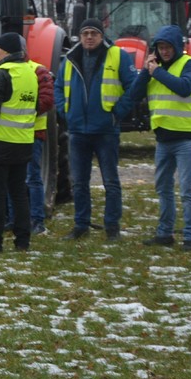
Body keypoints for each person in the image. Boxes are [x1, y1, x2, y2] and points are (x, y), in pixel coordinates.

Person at [54, 18, 137, 240]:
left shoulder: (118, 55)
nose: (89, 37)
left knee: (110, 181)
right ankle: (81, 225)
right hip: (78, 131)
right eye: (85, 33)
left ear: (102, 35)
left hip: (106, 131)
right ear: (80, 37)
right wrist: (65, 111)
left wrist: (117, 112)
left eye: (94, 33)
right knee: (79, 183)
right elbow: (58, 87)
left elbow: (133, 87)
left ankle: (112, 227)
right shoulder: (71, 58)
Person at [128, 25, 191, 251]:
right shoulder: (154, 68)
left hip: (187, 138)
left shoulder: (190, 65)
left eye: (168, 47)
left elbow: (185, 88)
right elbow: (133, 94)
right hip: (163, 138)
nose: (165, 51)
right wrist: (145, 71)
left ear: (177, 47)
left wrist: (157, 72)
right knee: (163, 188)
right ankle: (165, 233)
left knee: (187, 189)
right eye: (160, 47)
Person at [0, 32, 38, 252]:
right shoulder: (30, 73)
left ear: (6, 51)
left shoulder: (2, 74)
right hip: (22, 143)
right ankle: (23, 242)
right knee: (19, 193)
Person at [8, 58, 56, 235]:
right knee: (11, 178)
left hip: (32, 133)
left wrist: (23, 111)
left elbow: (47, 101)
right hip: (9, 133)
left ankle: (37, 220)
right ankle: (13, 219)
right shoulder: (5, 70)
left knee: (32, 177)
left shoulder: (38, 71)